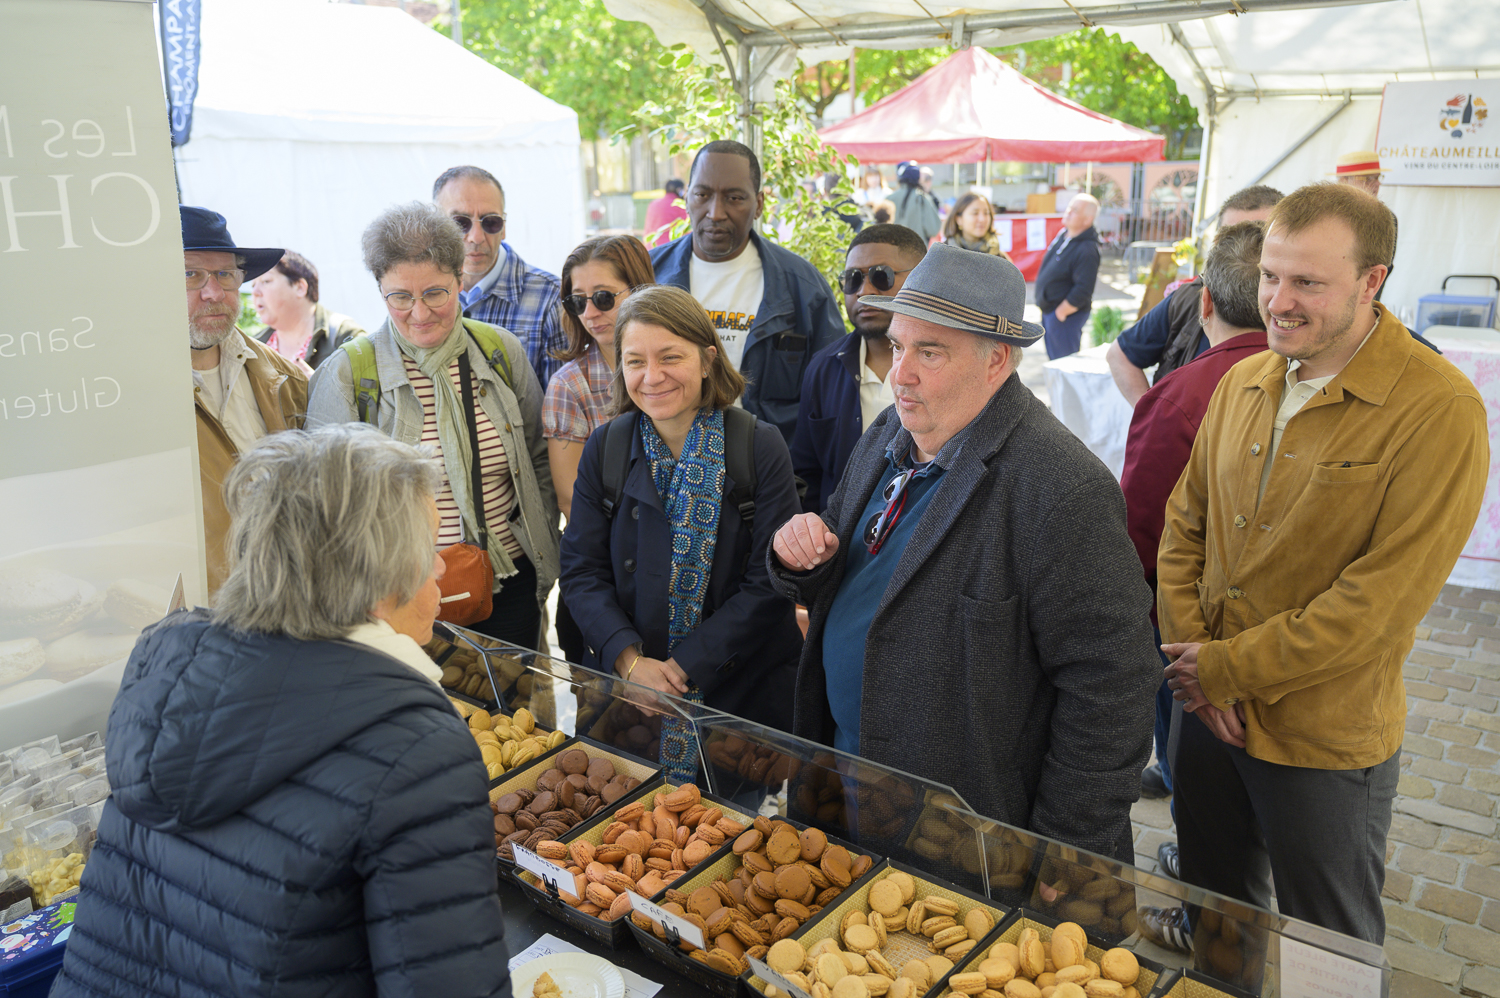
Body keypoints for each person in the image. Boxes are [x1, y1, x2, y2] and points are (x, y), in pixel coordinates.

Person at [49, 425, 510, 998]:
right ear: (374, 582)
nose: (441, 568)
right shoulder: (415, 748)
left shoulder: (165, 676)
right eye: (428, 549)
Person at [1154, 183, 1488, 947]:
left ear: (1373, 281)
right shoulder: (1244, 379)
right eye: (1271, 276)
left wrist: (1223, 671)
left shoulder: (1439, 409)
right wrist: (1197, 665)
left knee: (1329, 947)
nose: (1277, 302)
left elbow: (1378, 604)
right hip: (1204, 708)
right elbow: (1184, 526)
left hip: (1322, 739)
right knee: (1216, 915)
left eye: (1307, 282)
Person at [768, 243, 1160, 862]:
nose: (900, 374)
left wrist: (1066, 852)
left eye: (930, 352)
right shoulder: (892, 430)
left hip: (966, 833)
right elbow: (841, 559)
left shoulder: (1063, 487)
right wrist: (801, 556)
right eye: (898, 346)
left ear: (996, 360)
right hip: (844, 778)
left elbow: (1114, 687)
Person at [559, 285, 802, 760]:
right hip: (628, 702)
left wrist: (681, 668)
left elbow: (769, 582)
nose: (652, 377)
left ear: (708, 359)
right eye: (635, 361)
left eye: (670, 357)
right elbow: (581, 571)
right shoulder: (606, 448)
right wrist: (631, 664)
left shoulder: (758, 446)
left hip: (736, 701)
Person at [307, 201, 559, 650]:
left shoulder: (500, 353)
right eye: (401, 297)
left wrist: (540, 544)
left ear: (460, 280)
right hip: (402, 595)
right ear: (380, 290)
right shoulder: (348, 374)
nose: (419, 313)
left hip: (512, 583)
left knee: (513, 697)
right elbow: (327, 509)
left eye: (436, 293)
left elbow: (538, 459)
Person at [1118, 221, 1271, 848]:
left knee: (1195, 768)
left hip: (1190, 629)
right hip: (1279, 634)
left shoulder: (1183, 393)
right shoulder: (1313, 376)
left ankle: (1198, 853)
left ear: (1203, 301)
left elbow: (1141, 529)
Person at [650, 140, 844, 442]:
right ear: (686, 198)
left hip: (770, 463)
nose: (715, 212)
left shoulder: (803, 287)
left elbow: (832, 394)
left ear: (759, 204)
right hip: (665, 458)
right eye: (702, 195)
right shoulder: (648, 277)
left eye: (734, 198)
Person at [181, 206, 307, 597]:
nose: (214, 292)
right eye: (190, 275)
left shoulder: (286, 378)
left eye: (225, 275)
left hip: (292, 599)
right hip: (203, 615)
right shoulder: (129, 395)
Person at [544, 234, 655, 663]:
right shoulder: (569, 385)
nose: (590, 313)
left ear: (639, 290)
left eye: (604, 297)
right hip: (606, 580)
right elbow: (572, 502)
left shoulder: (678, 367)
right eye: (578, 301)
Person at [790, 223, 926, 514]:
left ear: (922, 278)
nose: (864, 291)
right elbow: (806, 474)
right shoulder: (823, 369)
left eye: (881, 276)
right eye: (852, 279)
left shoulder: (948, 369)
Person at [1106, 186, 1283, 407]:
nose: (1244, 251)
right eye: (1231, 239)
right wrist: (1151, 415)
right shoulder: (1191, 296)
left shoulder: (1298, 311)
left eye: (1258, 237)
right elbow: (1120, 355)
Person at [432, 165, 567, 387]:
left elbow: (558, 403)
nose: (476, 237)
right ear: (436, 226)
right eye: (460, 222)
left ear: (503, 227)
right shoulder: (419, 294)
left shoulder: (550, 298)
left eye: (490, 222)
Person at [251, 250, 367, 372]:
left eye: (266, 281)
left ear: (300, 287)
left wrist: (319, 383)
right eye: (253, 285)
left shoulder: (346, 335)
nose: (255, 292)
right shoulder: (253, 348)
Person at [1033, 193, 1101, 360]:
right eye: (1069, 207)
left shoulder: (1087, 250)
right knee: (1055, 363)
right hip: (1051, 313)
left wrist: (1060, 314)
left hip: (1064, 318)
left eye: (1075, 210)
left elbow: (1083, 290)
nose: (1068, 212)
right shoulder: (1064, 234)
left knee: (1064, 364)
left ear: (1088, 219)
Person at [942, 192, 1011, 261]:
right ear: (958, 219)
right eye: (975, 213)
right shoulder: (943, 255)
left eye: (986, 213)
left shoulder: (1000, 258)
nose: (982, 219)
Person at [892, 161, 941, 244]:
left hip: (893, 247)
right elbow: (933, 230)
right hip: (917, 248)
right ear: (918, 179)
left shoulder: (889, 198)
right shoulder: (923, 199)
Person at [644, 178, 688, 247]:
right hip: (670, 248)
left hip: (650, 248)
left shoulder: (653, 204)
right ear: (679, 190)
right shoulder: (679, 205)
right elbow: (688, 230)